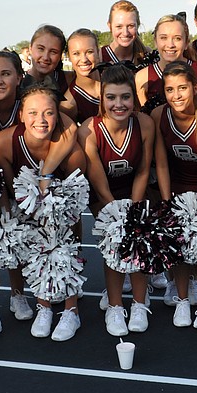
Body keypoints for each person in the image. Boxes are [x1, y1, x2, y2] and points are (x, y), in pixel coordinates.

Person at [0, 84, 87, 340]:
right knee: (35, 242)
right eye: (33, 113)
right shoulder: (3, 143)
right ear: (21, 114)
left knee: (62, 240)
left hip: (63, 212)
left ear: (58, 116)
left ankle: (71, 310)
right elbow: (10, 189)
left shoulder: (72, 152)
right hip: (26, 207)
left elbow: (75, 205)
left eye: (48, 113)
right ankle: (43, 305)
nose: (41, 120)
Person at [79, 65, 154, 336]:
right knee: (114, 246)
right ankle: (114, 305)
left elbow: (144, 169)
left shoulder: (144, 123)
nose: (118, 104)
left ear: (134, 98)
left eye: (125, 97)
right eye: (111, 97)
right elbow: (97, 178)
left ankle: (139, 303)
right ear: (102, 99)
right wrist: (115, 214)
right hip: (104, 195)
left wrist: (133, 208)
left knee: (138, 242)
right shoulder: (89, 129)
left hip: (134, 190)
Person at [151, 61, 197, 329]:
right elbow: (162, 163)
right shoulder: (159, 115)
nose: (176, 95)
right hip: (175, 188)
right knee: (177, 247)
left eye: (182, 88)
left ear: (195, 87)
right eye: (170, 89)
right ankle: (182, 298)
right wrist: (169, 203)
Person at [135, 14, 197, 108]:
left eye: (177, 38)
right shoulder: (142, 77)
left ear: (186, 43)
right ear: (155, 41)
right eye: (163, 38)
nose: (170, 45)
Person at [20, 24, 72, 98]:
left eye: (53, 52)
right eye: (41, 49)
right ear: (30, 48)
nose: (45, 57)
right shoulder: (16, 83)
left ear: (60, 55)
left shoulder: (68, 81)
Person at [64, 28, 101, 123]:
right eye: (76, 54)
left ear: (98, 52)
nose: (84, 59)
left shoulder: (115, 78)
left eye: (89, 52)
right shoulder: (69, 103)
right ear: (69, 57)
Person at [101, 0, 149, 64]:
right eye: (119, 26)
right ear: (110, 26)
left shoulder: (148, 56)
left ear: (138, 26)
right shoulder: (100, 57)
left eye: (130, 26)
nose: (125, 33)